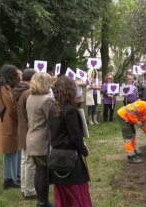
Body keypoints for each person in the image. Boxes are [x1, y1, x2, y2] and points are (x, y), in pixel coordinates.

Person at [49, 76, 92, 207]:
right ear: (70, 90)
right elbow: (75, 136)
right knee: (77, 192)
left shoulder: (54, 108)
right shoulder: (69, 109)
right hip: (69, 156)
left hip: (56, 153)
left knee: (63, 193)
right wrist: (84, 150)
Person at [0, 64, 21, 190]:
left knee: (13, 150)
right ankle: (8, 179)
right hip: (8, 122)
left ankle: (13, 176)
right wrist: (21, 118)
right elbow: (12, 108)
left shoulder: (6, 87)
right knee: (9, 152)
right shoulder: (5, 88)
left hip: (10, 122)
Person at [26, 73, 55, 207]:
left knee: (39, 170)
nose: (51, 85)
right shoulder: (47, 100)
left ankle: (40, 200)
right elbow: (52, 120)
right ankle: (43, 202)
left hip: (31, 138)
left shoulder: (30, 97)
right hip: (41, 140)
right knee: (43, 171)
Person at [13, 68, 37, 200]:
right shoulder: (28, 93)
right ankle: (29, 191)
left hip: (22, 128)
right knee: (30, 162)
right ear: (32, 79)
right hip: (28, 129)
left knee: (24, 161)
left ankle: (25, 188)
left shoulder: (20, 90)